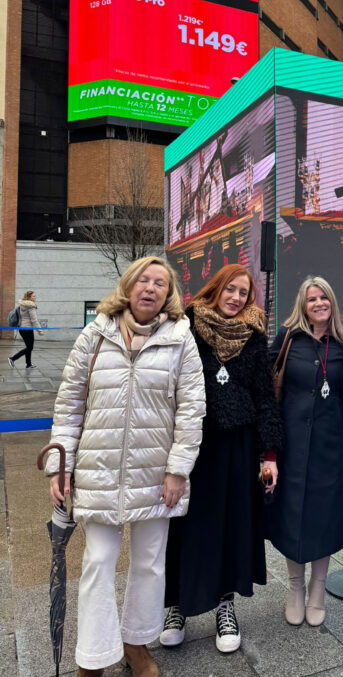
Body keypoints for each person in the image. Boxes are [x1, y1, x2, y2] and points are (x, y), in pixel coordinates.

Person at [44, 256, 205, 677]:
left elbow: (191, 411)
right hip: (99, 467)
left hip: (156, 472)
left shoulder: (180, 338)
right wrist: (61, 467)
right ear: (129, 286)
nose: (151, 288)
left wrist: (178, 470)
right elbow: (69, 404)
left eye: (161, 283)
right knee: (98, 561)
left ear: (169, 294)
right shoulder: (94, 334)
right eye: (144, 281)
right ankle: (94, 657)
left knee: (150, 561)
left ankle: (137, 645)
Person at [160, 265, 283, 654]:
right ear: (215, 289)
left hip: (237, 446)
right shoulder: (187, 327)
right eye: (230, 289)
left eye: (243, 293)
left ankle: (225, 606)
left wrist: (269, 454)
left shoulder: (254, 335)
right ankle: (176, 605)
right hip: (194, 444)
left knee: (231, 523)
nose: (235, 298)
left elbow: (265, 396)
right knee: (184, 524)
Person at [267, 277, 343, 627]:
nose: (318, 303)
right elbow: (270, 390)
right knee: (292, 516)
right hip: (291, 444)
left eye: (324, 297)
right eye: (311, 299)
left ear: (332, 302)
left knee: (324, 516)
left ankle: (317, 588)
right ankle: (295, 589)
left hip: (330, 447)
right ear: (302, 306)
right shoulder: (288, 339)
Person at [8, 290, 44, 369]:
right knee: (29, 347)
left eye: (35, 296)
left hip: (22, 329)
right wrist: (40, 331)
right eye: (33, 296)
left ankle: (28, 364)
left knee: (29, 347)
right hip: (28, 329)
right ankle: (12, 358)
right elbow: (34, 320)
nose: (35, 297)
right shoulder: (31, 306)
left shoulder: (22, 305)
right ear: (29, 298)